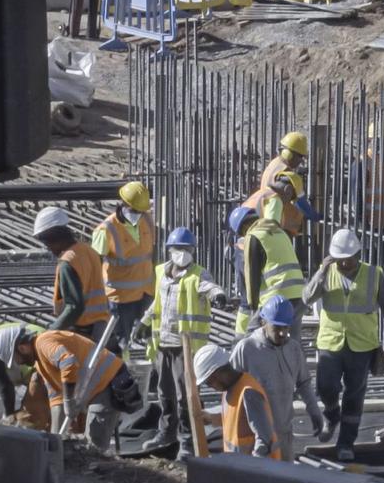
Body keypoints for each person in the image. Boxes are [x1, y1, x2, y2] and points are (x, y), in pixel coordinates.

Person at [303, 228, 384, 461]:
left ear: (357, 254)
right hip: (331, 342)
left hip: (362, 344)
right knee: (326, 387)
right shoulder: (326, 272)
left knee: (354, 395)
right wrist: (321, 273)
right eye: (339, 259)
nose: (344, 263)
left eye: (347, 258)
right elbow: (307, 298)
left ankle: (346, 443)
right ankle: (332, 414)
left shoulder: (373, 274)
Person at [135, 227, 226, 459]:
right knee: (164, 393)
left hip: (186, 348)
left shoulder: (198, 274)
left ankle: (188, 440)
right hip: (163, 345)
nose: (183, 253)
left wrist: (218, 295)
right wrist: (144, 322)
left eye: (188, 249)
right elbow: (157, 303)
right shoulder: (161, 274)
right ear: (170, 251)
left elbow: (209, 287)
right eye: (179, 249)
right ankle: (166, 433)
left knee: (184, 396)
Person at [0, 325, 141, 452]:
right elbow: (56, 399)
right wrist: (56, 438)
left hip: (109, 381)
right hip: (99, 388)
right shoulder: (40, 364)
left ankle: (99, 482)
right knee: (90, 444)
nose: (20, 363)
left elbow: (68, 361)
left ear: (22, 348)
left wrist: (69, 399)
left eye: (17, 359)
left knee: (95, 443)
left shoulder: (44, 342)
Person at [230, 295, 329, 461]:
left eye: (286, 328)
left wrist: (314, 410)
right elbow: (231, 393)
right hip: (254, 440)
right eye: (276, 328)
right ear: (263, 322)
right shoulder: (246, 349)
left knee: (285, 482)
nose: (283, 333)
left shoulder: (293, 349)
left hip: (284, 436)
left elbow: (303, 382)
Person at [92, 181, 156, 355]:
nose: (138, 215)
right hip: (120, 298)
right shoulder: (106, 229)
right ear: (124, 205)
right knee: (122, 342)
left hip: (146, 293)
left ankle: (152, 372)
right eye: (135, 211)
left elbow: (151, 254)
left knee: (152, 336)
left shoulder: (147, 220)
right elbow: (94, 264)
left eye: (141, 211)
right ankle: (125, 374)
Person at [231, 201, 309, 338]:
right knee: (292, 341)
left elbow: (252, 275)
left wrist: (253, 306)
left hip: (277, 296)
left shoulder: (253, 236)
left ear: (243, 228)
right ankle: (295, 359)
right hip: (299, 295)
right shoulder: (280, 232)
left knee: (252, 334)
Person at [34, 206, 111, 342]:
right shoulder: (88, 250)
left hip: (84, 330)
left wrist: (51, 331)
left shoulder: (67, 263)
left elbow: (74, 307)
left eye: (47, 243)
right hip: (102, 324)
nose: (48, 248)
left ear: (55, 237)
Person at [192, 344, 280, 459]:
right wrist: (212, 418)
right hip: (238, 466)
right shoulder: (229, 389)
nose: (210, 387)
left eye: (209, 382)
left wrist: (254, 467)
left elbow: (264, 438)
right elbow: (236, 420)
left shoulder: (248, 393)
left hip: (256, 470)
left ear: (217, 374)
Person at [0, 321, 48, 425]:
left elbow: (4, 386)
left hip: (36, 352)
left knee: (29, 417)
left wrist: (8, 416)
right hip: (41, 341)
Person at [243, 131, 310, 237]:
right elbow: (299, 202)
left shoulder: (275, 163)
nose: (301, 161)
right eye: (300, 157)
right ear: (288, 154)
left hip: (266, 217)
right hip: (276, 223)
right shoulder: (284, 171)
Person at [349, 123, 384, 231]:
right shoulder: (362, 163)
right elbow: (357, 198)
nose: (383, 143)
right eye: (379, 139)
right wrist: (362, 226)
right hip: (371, 227)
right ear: (369, 140)